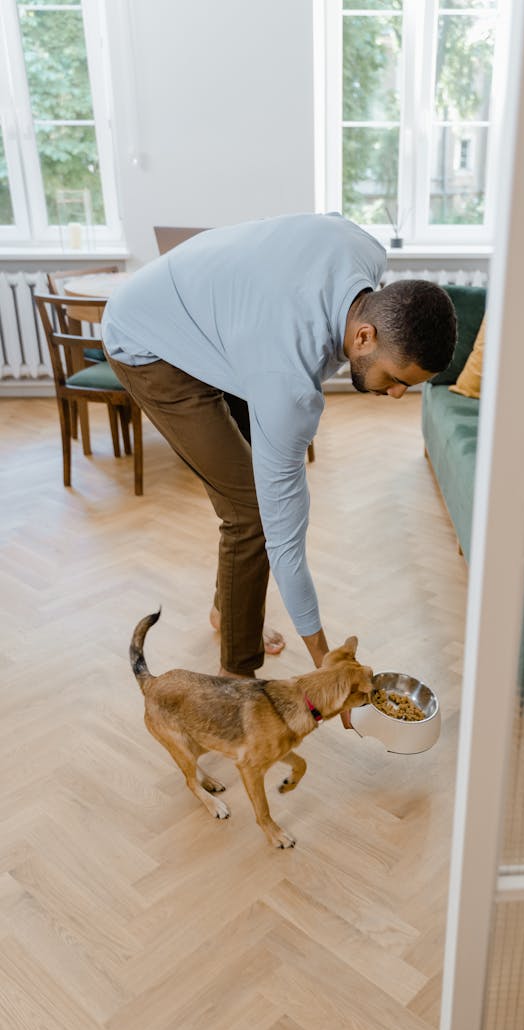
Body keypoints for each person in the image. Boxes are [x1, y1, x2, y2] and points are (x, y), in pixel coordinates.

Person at [102, 212, 456, 724]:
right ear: (363, 337)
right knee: (249, 513)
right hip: (147, 340)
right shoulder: (284, 383)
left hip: (225, 327)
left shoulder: (365, 250)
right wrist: (324, 663)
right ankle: (235, 676)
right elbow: (283, 538)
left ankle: (227, 613)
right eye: (396, 377)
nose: (398, 393)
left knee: (253, 498)